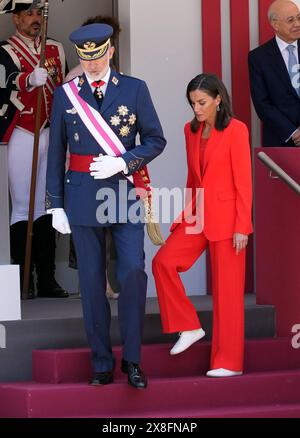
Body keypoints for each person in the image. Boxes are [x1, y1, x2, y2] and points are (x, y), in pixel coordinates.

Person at [46, 23, 166, 388]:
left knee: (131, 273)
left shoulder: (134, 89)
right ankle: (101, 362)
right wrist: (55, 204)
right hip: (81, 194)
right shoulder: (67, 95)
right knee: (92, 282)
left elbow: (156, 140)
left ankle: (132, 360)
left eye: (98, 56)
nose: (93, 64)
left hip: (123, 191)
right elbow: (56, 153)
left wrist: (125, 162)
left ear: (110, 51)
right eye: (86, 58)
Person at [152, 73, 252, 378]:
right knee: (163, 262)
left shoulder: (236, 130)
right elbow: (194, 179)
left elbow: (243, 182)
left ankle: (228, 362)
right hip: (198, 215)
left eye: (202, 102)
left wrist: (242, 226)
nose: (196, 108)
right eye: (193, 103)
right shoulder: (189, 130)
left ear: (218, 100)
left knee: (228, 294)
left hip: (229, 219)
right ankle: (189, 326)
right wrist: (185, 215)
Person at [0, 2, 69, 298]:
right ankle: (22, 277)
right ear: (16, 18)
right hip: (21, 132)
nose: (35, 19)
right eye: (29, 14)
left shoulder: (55, 48)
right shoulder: (5, 50)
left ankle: (47, 278)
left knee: (47, 205)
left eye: (38, 14)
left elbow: (63, 87)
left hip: (50, 132)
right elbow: (3, 84)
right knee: (21, 207)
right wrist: (27, 79)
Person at [65, 15, 122, 300]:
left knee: (109, 231)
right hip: (82, 170)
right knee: (88, 234)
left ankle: (107, 284)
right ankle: (93, 285)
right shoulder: (74, 80)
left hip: (111, 169)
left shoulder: (118, 78)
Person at [248, 0, 300, 147]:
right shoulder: (258, 58)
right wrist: (293, 132)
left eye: (299, 17)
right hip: (281, 139)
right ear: (275, 24)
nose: (297, 23)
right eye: (291, 20)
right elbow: (262, 104)